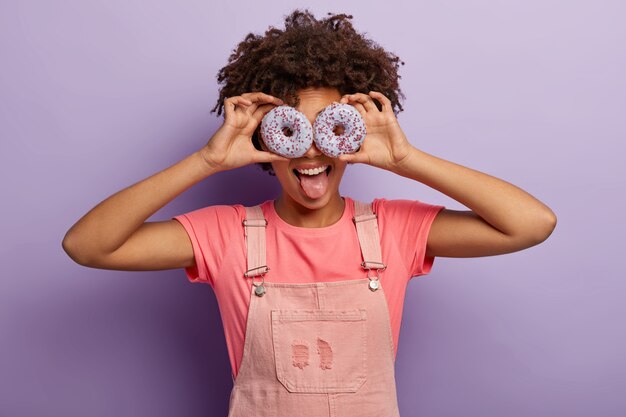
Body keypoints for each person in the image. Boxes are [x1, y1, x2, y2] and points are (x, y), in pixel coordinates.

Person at [62, 9, 557, 416]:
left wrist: (408, 160)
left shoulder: (393, 230)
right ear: (265, 138)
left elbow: (533, 224)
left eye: (331, 129)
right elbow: (87, 246)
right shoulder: (227, 235)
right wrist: (206, 160)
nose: (312, 151)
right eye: (292, 129)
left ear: (353, 135)